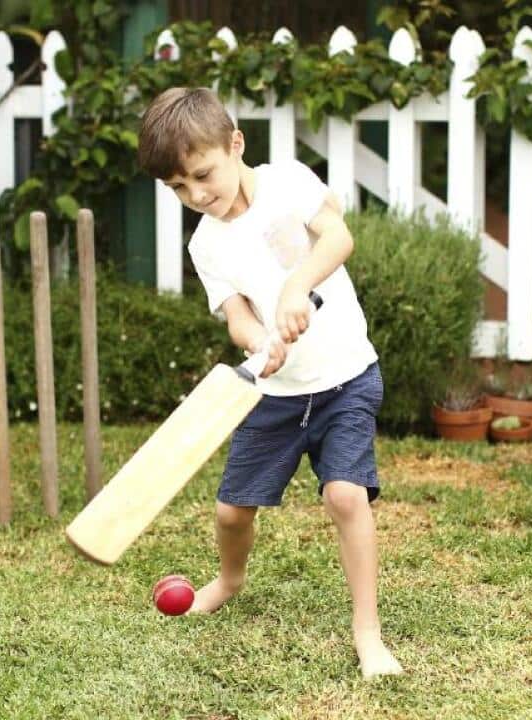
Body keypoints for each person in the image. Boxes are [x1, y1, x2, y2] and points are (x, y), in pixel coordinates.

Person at [136, 87, 402, 679]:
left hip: (346, 379)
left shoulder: (286, 183)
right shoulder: (205, 243)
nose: (196, 195)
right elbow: (237, 319)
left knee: (344, 495)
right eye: (178, 188)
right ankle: (229, 580)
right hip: (276, 397)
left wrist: (293, 286)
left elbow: (338, 238)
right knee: (232, 512)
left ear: (235, 144)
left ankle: (368, 632)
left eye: (202, 175)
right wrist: (261, 341)